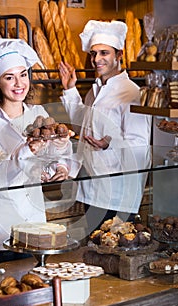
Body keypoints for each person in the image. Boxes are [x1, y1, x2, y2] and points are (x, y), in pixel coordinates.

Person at [0, 38, 73, 265]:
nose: (19, 83)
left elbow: (56, 153)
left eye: (23, 74)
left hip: (33, 224)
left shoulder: (38, 112)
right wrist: (27, 149)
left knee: (32, 288)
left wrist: (60, 165)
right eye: (10, 77)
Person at [59, 20, 152, 236]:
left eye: (104, 53)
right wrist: (70, 89)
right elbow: (83, 126)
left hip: (118, 193)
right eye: (93, 54)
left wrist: (109, 144)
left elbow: (140, 146)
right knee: (94, 251)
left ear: (119, 55)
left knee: (114, 250)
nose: (96, 59)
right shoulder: (96, 90)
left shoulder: (131, 93)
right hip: (92, 190)